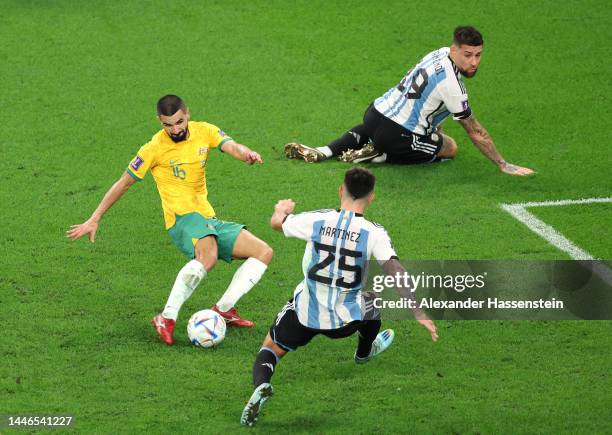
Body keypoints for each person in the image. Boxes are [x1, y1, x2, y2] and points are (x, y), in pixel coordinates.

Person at [67, 95, 273, 345]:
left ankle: (224, 309)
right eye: (168, 125)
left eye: (179, 122)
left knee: (263, 252)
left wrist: (247, 154)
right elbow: (123, 183)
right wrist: (94, 218)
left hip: (208, 218)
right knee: (207, 256)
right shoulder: (153, 148)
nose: (175, 129)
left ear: (188, 113)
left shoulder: (204, 130)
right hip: (182, 219)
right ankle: (166, 317)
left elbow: (231, 146)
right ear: (159, 122)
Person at [240, 167, 438, 426]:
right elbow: (395, 271)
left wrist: (282, 208)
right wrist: (418, 312)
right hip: (345, 321)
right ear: (372, 197)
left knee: (270, 349)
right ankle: (364, 352)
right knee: (374, 304)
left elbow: (277, 223)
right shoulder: (374, 233)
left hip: (305, 315)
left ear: (341, 190)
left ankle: (262, 385)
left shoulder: (317, 220)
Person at [285, 26, 534, 176]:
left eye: (478, 55)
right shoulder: (454, 87)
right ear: (455, 49)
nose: (474, 62)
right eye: (468, 55)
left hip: (375, 113)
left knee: (381, 128)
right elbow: (476, 131)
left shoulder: (437, 54)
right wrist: (503, 164)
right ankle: (377, 156)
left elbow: (431, 101)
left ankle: (325, 150)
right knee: (450, 148)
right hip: (398, 135)